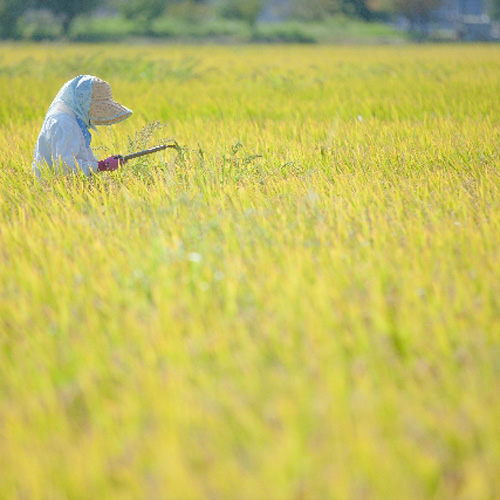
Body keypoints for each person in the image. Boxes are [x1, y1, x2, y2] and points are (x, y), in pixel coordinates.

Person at [33, 75, 132, 179]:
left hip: (64, 185)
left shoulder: (71, 120)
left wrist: (103, 164)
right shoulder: (65, 123)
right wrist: (102, 166)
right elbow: (65, 166)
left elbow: (78, 157)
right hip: (56, 188)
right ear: (85, 103)